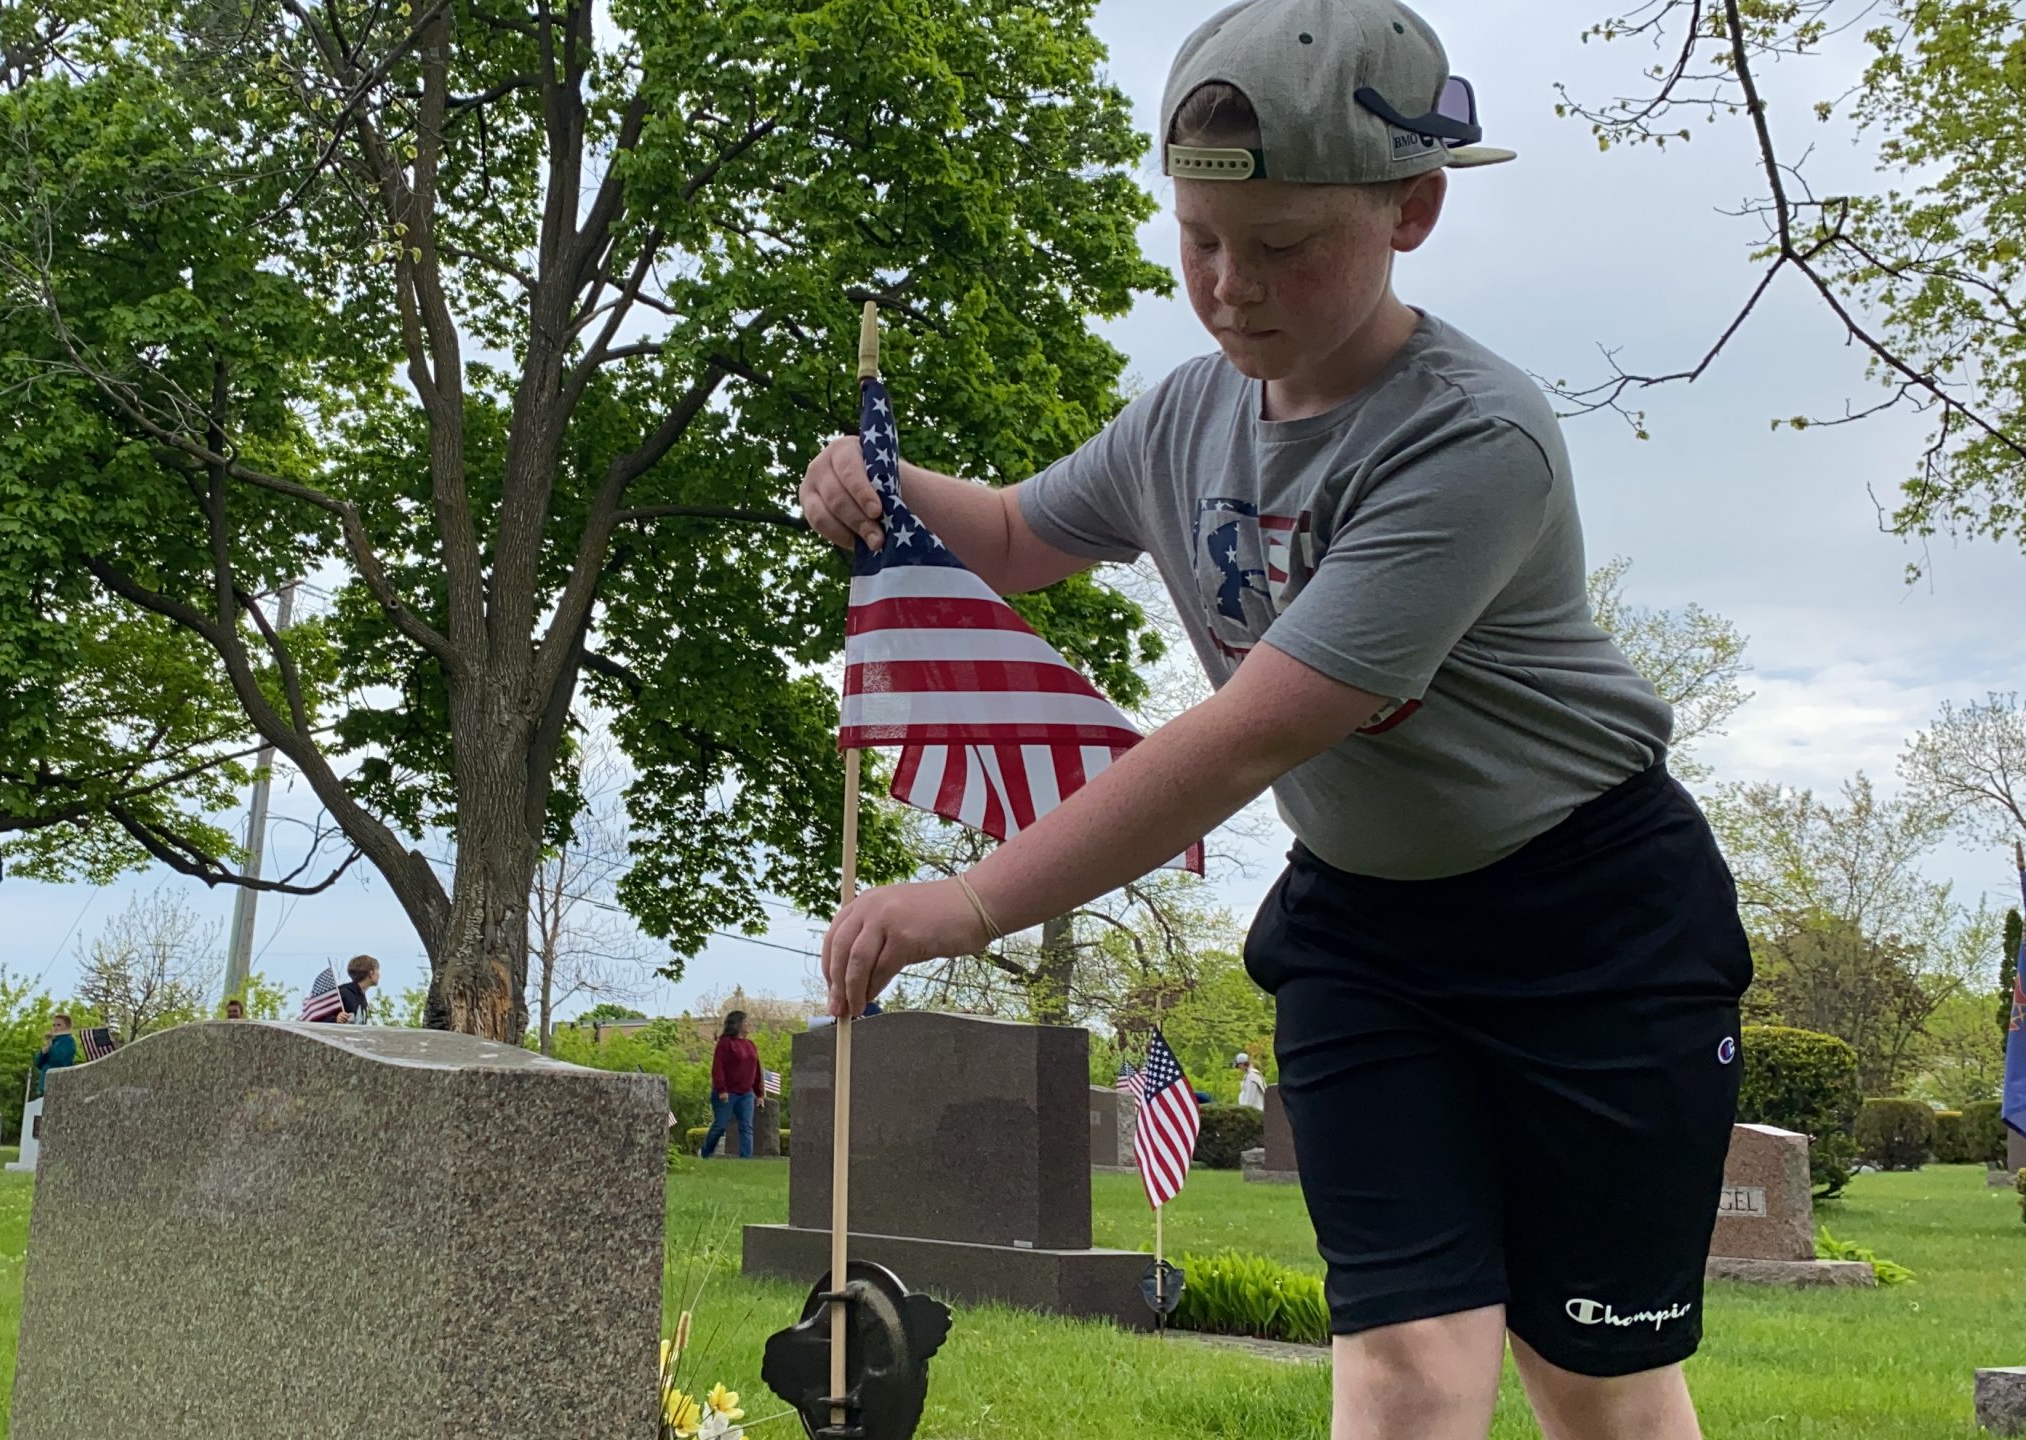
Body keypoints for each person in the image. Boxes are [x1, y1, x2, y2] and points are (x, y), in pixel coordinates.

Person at [800, 5, 1749, 1435]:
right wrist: (876, 486)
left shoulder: (1468, 437)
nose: (1232, 286)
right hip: (1370, 940)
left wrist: (976, 902)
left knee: (1594, 1383)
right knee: (1409, 1360)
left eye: (1287, 245)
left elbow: (1248, 737)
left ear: (1411, 209)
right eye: (1199, 240)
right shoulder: (1186, 416)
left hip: (1596, 930)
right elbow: (1005, 536)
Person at [699, 1011, 761, 1160]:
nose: (749, 1025)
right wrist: (721, 1089)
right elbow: (718, 1067)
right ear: (737, 1024)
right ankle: (705, 1153)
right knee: (720, 1125)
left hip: (746, 1093)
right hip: (727, 1092)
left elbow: (756, 1070)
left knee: (746, 1127)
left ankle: (746, 1158)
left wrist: (759, 1094)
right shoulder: (725, 1043)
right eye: (746, 1022)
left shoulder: (750, 1045)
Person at [32, 1014, 77, 1096]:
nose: (55, 1028)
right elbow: (38, 1064)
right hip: (45, 1083)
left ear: (67, 1027)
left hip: (58, 1083)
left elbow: (60, 1059)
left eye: (59, 1025)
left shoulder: (69, 1041)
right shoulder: (54, 1042)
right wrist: (42, 1053)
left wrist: (51, 1048)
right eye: (54, 1025)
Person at [331, 955, 380, 1023]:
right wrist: (335, 1019)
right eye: (377, 970)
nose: (379, 975)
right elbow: (320, 1018)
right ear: (371, 973)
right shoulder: (343, 993)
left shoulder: (361, 997)